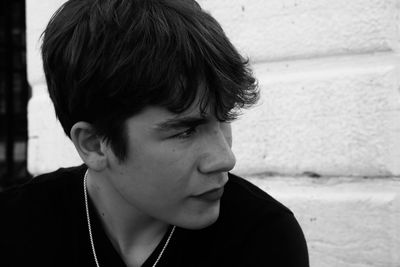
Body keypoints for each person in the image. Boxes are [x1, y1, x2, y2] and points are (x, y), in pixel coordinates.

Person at [0, 0, 309, 266]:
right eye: (186, 130)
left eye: (224, 117)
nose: (224, 158)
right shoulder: (17, 229)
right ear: (94, 144)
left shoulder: (261, 237)